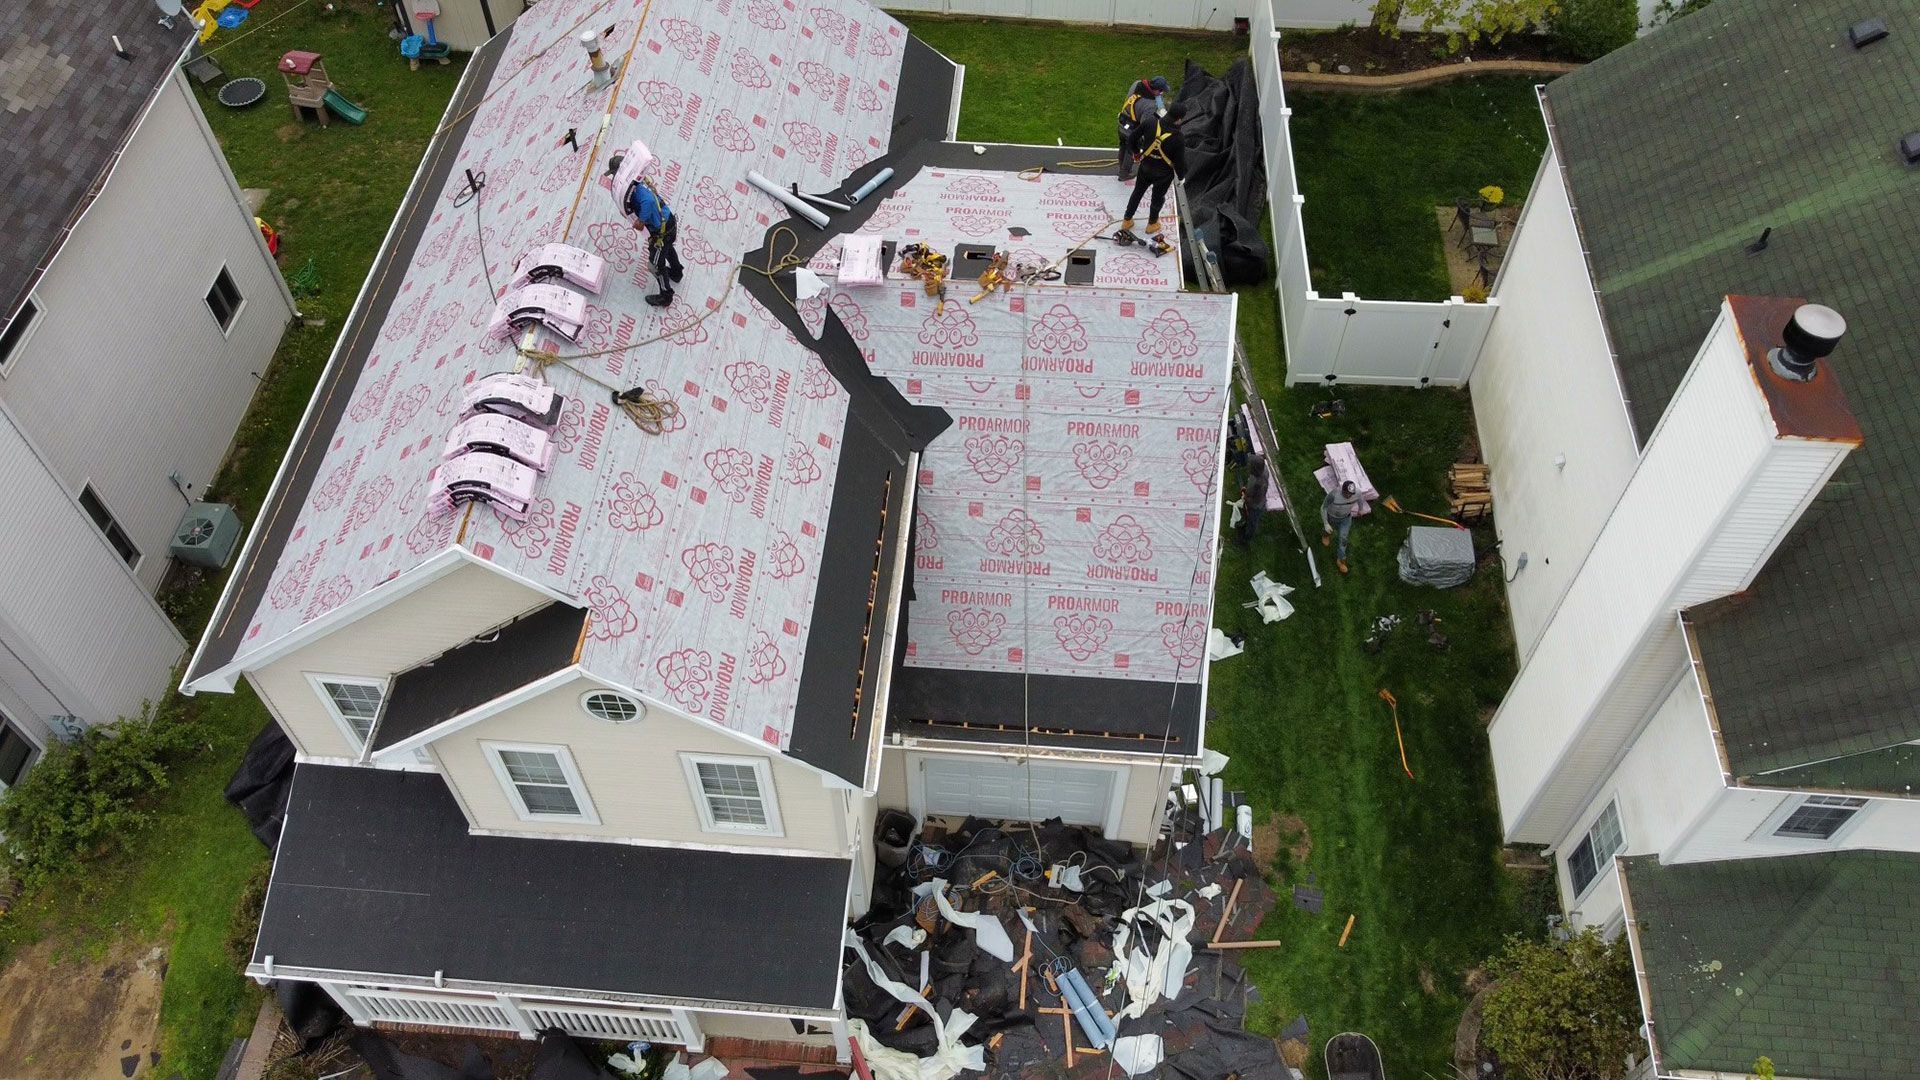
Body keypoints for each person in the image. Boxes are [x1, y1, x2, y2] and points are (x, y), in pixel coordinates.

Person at [607, 153, 683, 307]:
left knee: (655, 265)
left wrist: (641, 220)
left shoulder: (636, 191)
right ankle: (676, 272)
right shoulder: (639, 184)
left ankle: (666, 296)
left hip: (662, 232)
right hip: (669, 223)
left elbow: (647, 201)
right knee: (667, 249)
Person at [1121, 100, 1186, 237]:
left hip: (1145, 167)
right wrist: (1181, 177)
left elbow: (1132, 137)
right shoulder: (1178, 138)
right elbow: (1179, 161)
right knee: (1157, 198)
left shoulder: (1151, 122)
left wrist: (1136, 152)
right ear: (1179, 119)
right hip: (1163, 174)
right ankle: (1152, 224)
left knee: (1137, 193)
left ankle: (1127, 220)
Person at [1115, 76, 1168, 181]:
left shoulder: (1137, 84)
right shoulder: (1150, 105)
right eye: (1161, 91)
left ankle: (1121, 169)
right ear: (1155, 90)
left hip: (1122, 122)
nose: (1162, 94)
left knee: (1123, 146)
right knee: (1131, 150)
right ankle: (1124, 174)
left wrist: (1158, 100)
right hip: (1131, 130)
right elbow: (1145, 125)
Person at [1322, 479, 1363, 574]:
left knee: (1343, 539)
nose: (1349, 496)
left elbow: (1360, 498)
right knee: (1328, 530)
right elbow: (1323, 507)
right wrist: (1326, 523)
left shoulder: (1357, 493)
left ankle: (1340, 560)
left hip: (1345, 519)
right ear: (1343, 490)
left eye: (1351, 494)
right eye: (1347, 493)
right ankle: (1325, 535)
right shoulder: (1334, 495)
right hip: (1331, 517)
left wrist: (1360, 509)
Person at [1239, 455, 1268, 544]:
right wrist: (1246, 489)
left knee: (1252, 522)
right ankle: (1245, 526)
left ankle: (1246, 539)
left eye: (1250, 465)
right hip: (1253, 497)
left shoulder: (1259, 484)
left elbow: (1256, 500)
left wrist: (1246, 497)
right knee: (1248, 518)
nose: (1248, 466)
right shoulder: (1261, 471)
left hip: (1256, 506)